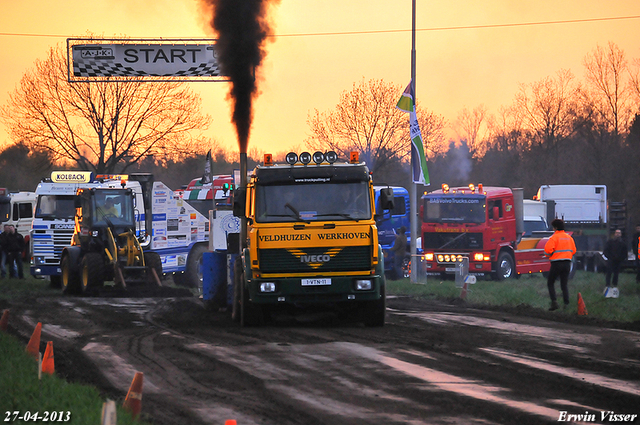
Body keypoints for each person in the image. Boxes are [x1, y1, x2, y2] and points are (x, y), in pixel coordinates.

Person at [544, 219, 576, 311]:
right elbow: (573, 250)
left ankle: (554, 302)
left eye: (553, 227)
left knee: (550, 282)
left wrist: (550, 255)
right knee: (564, 284)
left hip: (556, 263)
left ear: (556, 228)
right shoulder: (569, 237)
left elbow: (547, 251)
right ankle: (566, 303)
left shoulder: (554, 238)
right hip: (567, 263)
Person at [603, 229, 627, 298]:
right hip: (611, 260)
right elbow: (606, 250)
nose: (617, 234)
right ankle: (607, 285)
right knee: (609, 273)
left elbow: (625, 253)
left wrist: (621, 258)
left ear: (621, 234)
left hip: (618, 261)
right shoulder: (610, 242)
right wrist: (609, 257)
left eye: (619, 233)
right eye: (616, 233)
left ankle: (615, 285)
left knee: (616, 274)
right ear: (614, 234)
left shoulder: (623, 243)